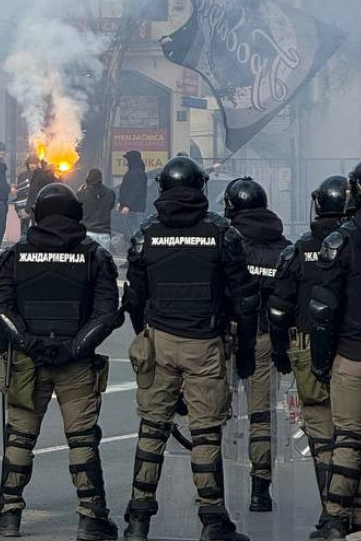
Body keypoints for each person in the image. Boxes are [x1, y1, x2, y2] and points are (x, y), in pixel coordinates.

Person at [121, 155, 258, 541]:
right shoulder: (222, 233)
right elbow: (244, 298)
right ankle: (213, 521)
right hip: (205, 344)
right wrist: (244, 349)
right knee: (206, 435)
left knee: (152, 431)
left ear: (162, 189)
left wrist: (145, 334)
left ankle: (137, 520)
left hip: (159, 341)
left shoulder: (146, 234)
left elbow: (133, 296)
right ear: (200, 188)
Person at [0, 181, 122, 539]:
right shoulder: (93, 255)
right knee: (82, 439)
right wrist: (73, 348)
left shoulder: (16, 254)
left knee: (19, 437)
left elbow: (0, 308)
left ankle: (9, 516)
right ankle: (91, 517)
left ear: (37, 214)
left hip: (25, 362)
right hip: (75, 363)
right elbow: (107, 314)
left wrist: (28, 342)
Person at [269, 174, 349, 534]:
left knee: (320, 432)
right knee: (354, 434)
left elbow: (278, 307)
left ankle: (329, 514)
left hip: (305, 346)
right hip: (352, 346)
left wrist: (280, 351)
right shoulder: (355, 243)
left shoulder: (299, 250)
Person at [222, 177, 289, 513]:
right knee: (262, 416)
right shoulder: (284, 246)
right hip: (264, 337)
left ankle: (210, 488)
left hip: (226, 336)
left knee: (212, 415)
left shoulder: (226, 240)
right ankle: (260, 490)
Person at [310, 157, 361, 540]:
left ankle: (334, 520)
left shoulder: (341, 240)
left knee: (347, 439)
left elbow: (323, 308)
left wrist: (321, 359)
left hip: (353, 353)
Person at [78, 169, 117, 251]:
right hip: (104, 233)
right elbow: (111, 206)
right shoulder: (110, 193)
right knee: (102, 261)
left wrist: (80, 191)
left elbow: (77, 209)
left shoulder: (82, 193)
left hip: (88, 232)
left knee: (87, 261)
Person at [117, 151, 148, 237]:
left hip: (134, 209)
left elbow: (135, 191)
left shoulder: (137, 173)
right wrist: (121, 202)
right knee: (135, 233)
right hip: (132, 209)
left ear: (132, 160)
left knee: (137, 233)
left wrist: (127, 205)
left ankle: (140, 249)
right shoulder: (135, 172)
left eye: (128, 159)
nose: (126, 163)